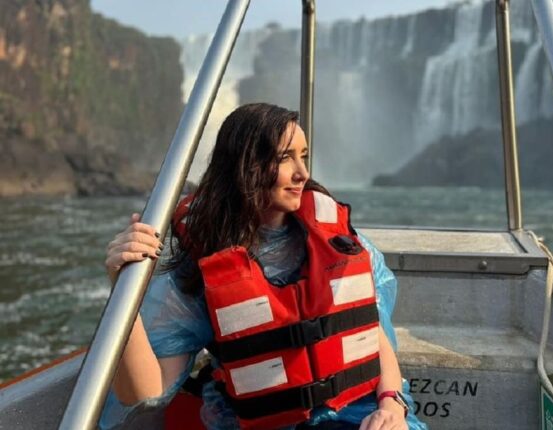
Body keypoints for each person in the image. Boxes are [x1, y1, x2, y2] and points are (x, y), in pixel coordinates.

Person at [101, 103, 426, 430]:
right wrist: (122, 286)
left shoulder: (342, 243)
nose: (303, 173)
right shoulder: (204, 271)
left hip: (364, 415)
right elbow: (145, 392)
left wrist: (392, 406)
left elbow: (373, 337)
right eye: (286, 158)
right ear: (246, 165)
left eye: (304, 156)